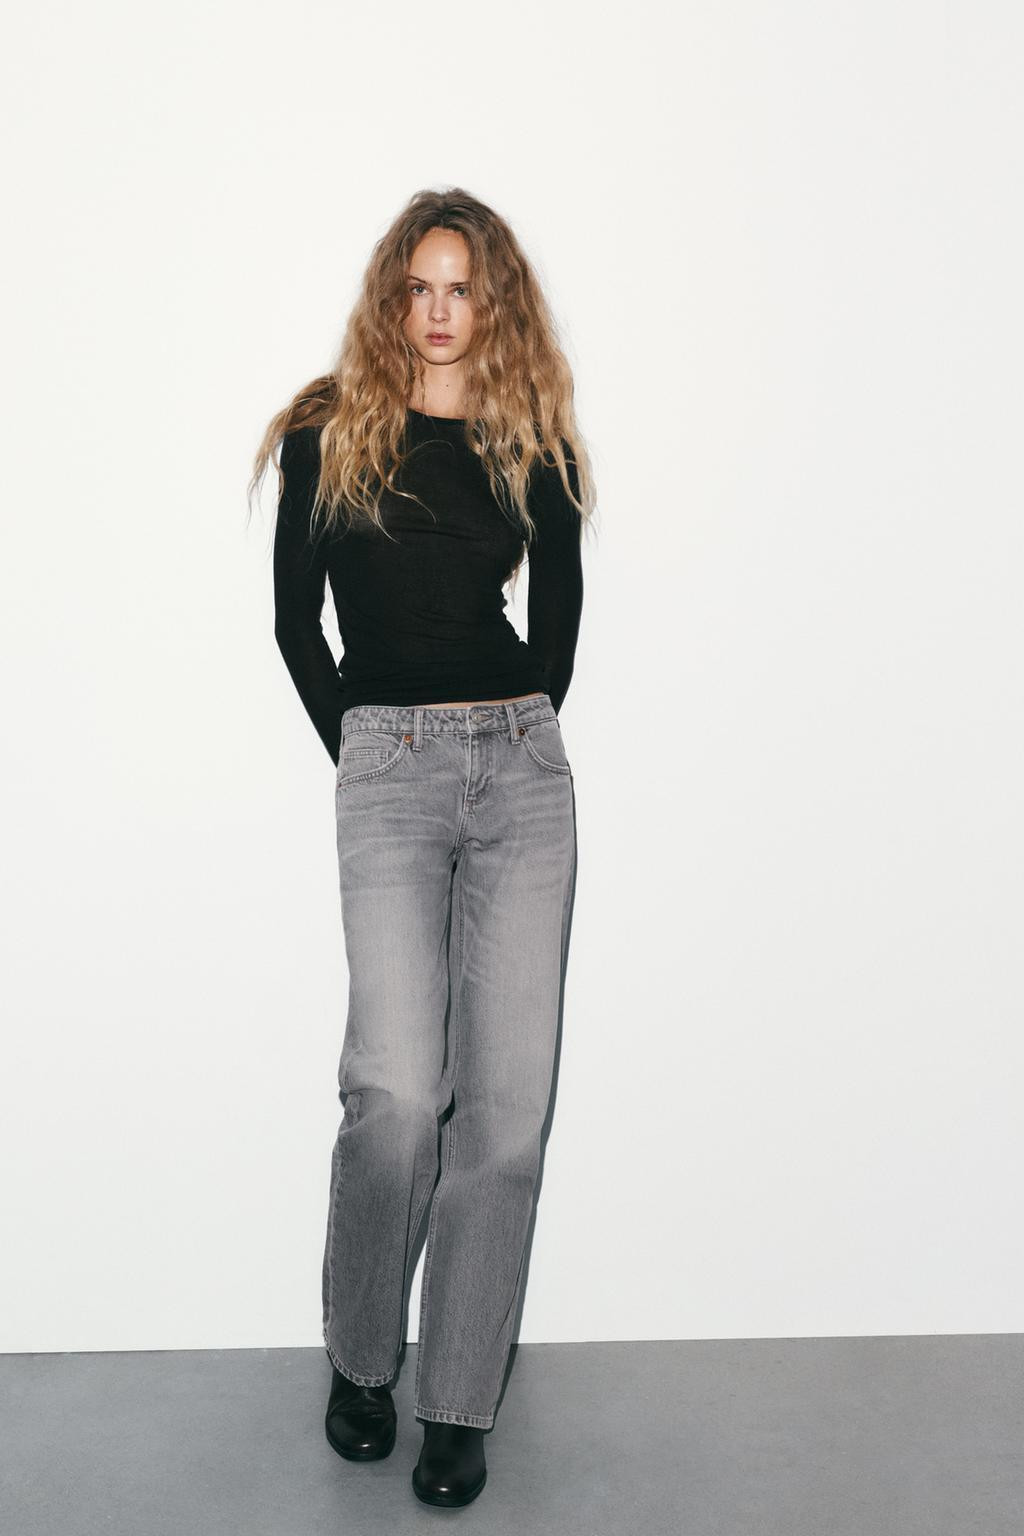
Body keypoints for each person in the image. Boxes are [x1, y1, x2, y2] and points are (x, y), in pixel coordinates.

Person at [251, 187, 593, 1508]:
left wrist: (517, 732)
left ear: (491, 305)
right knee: (397, 1093)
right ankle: (361, 1359)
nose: (440, 312)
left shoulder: (528, 440)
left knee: (505, 1113)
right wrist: (363, 743)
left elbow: (556, 627)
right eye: (421, 288)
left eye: (463, 290)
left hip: (520, 774)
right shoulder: (327, 429)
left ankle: (459, 1398)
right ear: (393, 296)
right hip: (389, 764)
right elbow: (296, 623)